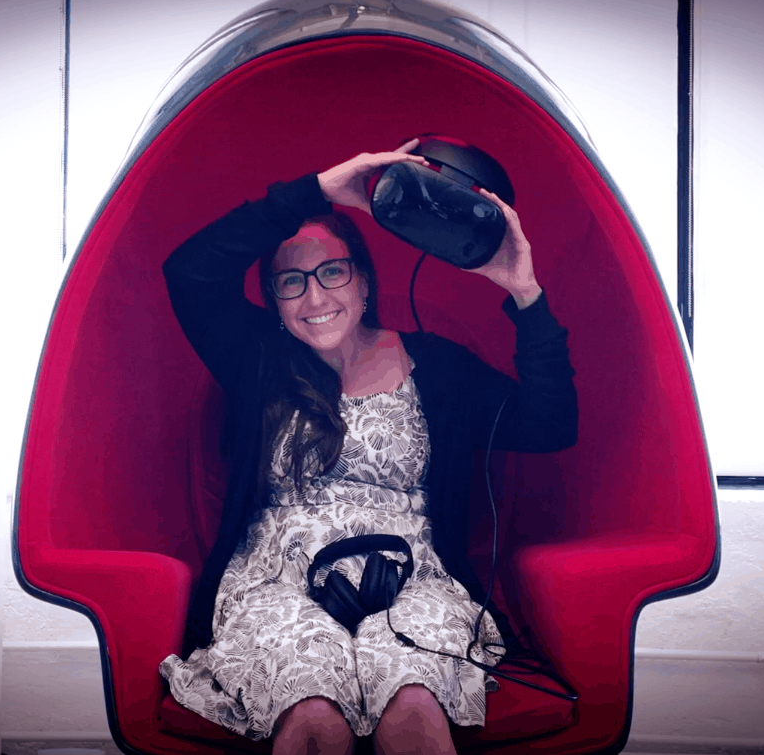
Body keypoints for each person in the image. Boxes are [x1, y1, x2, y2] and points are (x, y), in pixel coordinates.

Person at [159, 139, 578, 755]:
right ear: (274, 301)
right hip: (276, 583)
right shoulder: (258, 359)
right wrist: (319, 190)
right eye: (291, 281)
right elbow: (189, 273)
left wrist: (525, 292)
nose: (316, 298)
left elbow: (549, 425)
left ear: (362, 281)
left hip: (414, 581)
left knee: (413, 705)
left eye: (332, 272)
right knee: (312, 711)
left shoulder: (437, 366)